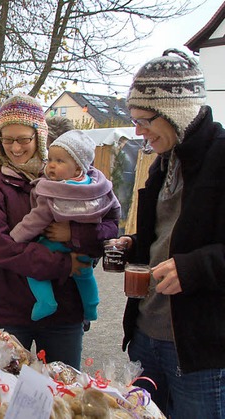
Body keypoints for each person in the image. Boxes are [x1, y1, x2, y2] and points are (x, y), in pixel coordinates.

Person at [0, 94, 118, 369]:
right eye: (7, 139)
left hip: (65, 311)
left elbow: (107, 229)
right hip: (7, 308)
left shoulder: (71, 172)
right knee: (3, 395)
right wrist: (63, 263)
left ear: (39, 136)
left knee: (62, 397)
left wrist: (74, 236)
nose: (15, 148)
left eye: (23, 139)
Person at [115, 49, 225, 417]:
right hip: (147, 334)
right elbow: (163, 236)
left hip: (199, 349)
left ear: (176, 112)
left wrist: (194, 268)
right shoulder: (164, 161)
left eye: (144, 120)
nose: (137, 131)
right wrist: (131, 245)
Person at [10, 130, 120, 322]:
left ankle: (46, 302)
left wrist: (16, 237)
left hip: (54, 242)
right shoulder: (98, 187)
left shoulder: (54, 190)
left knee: (33, 270)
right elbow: (115, 210)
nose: (51, 165)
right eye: (50, 159)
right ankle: (92, 307)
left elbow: (36, 219)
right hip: (84, 246)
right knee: (85, 275)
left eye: (60, 161)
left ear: (78, 168)